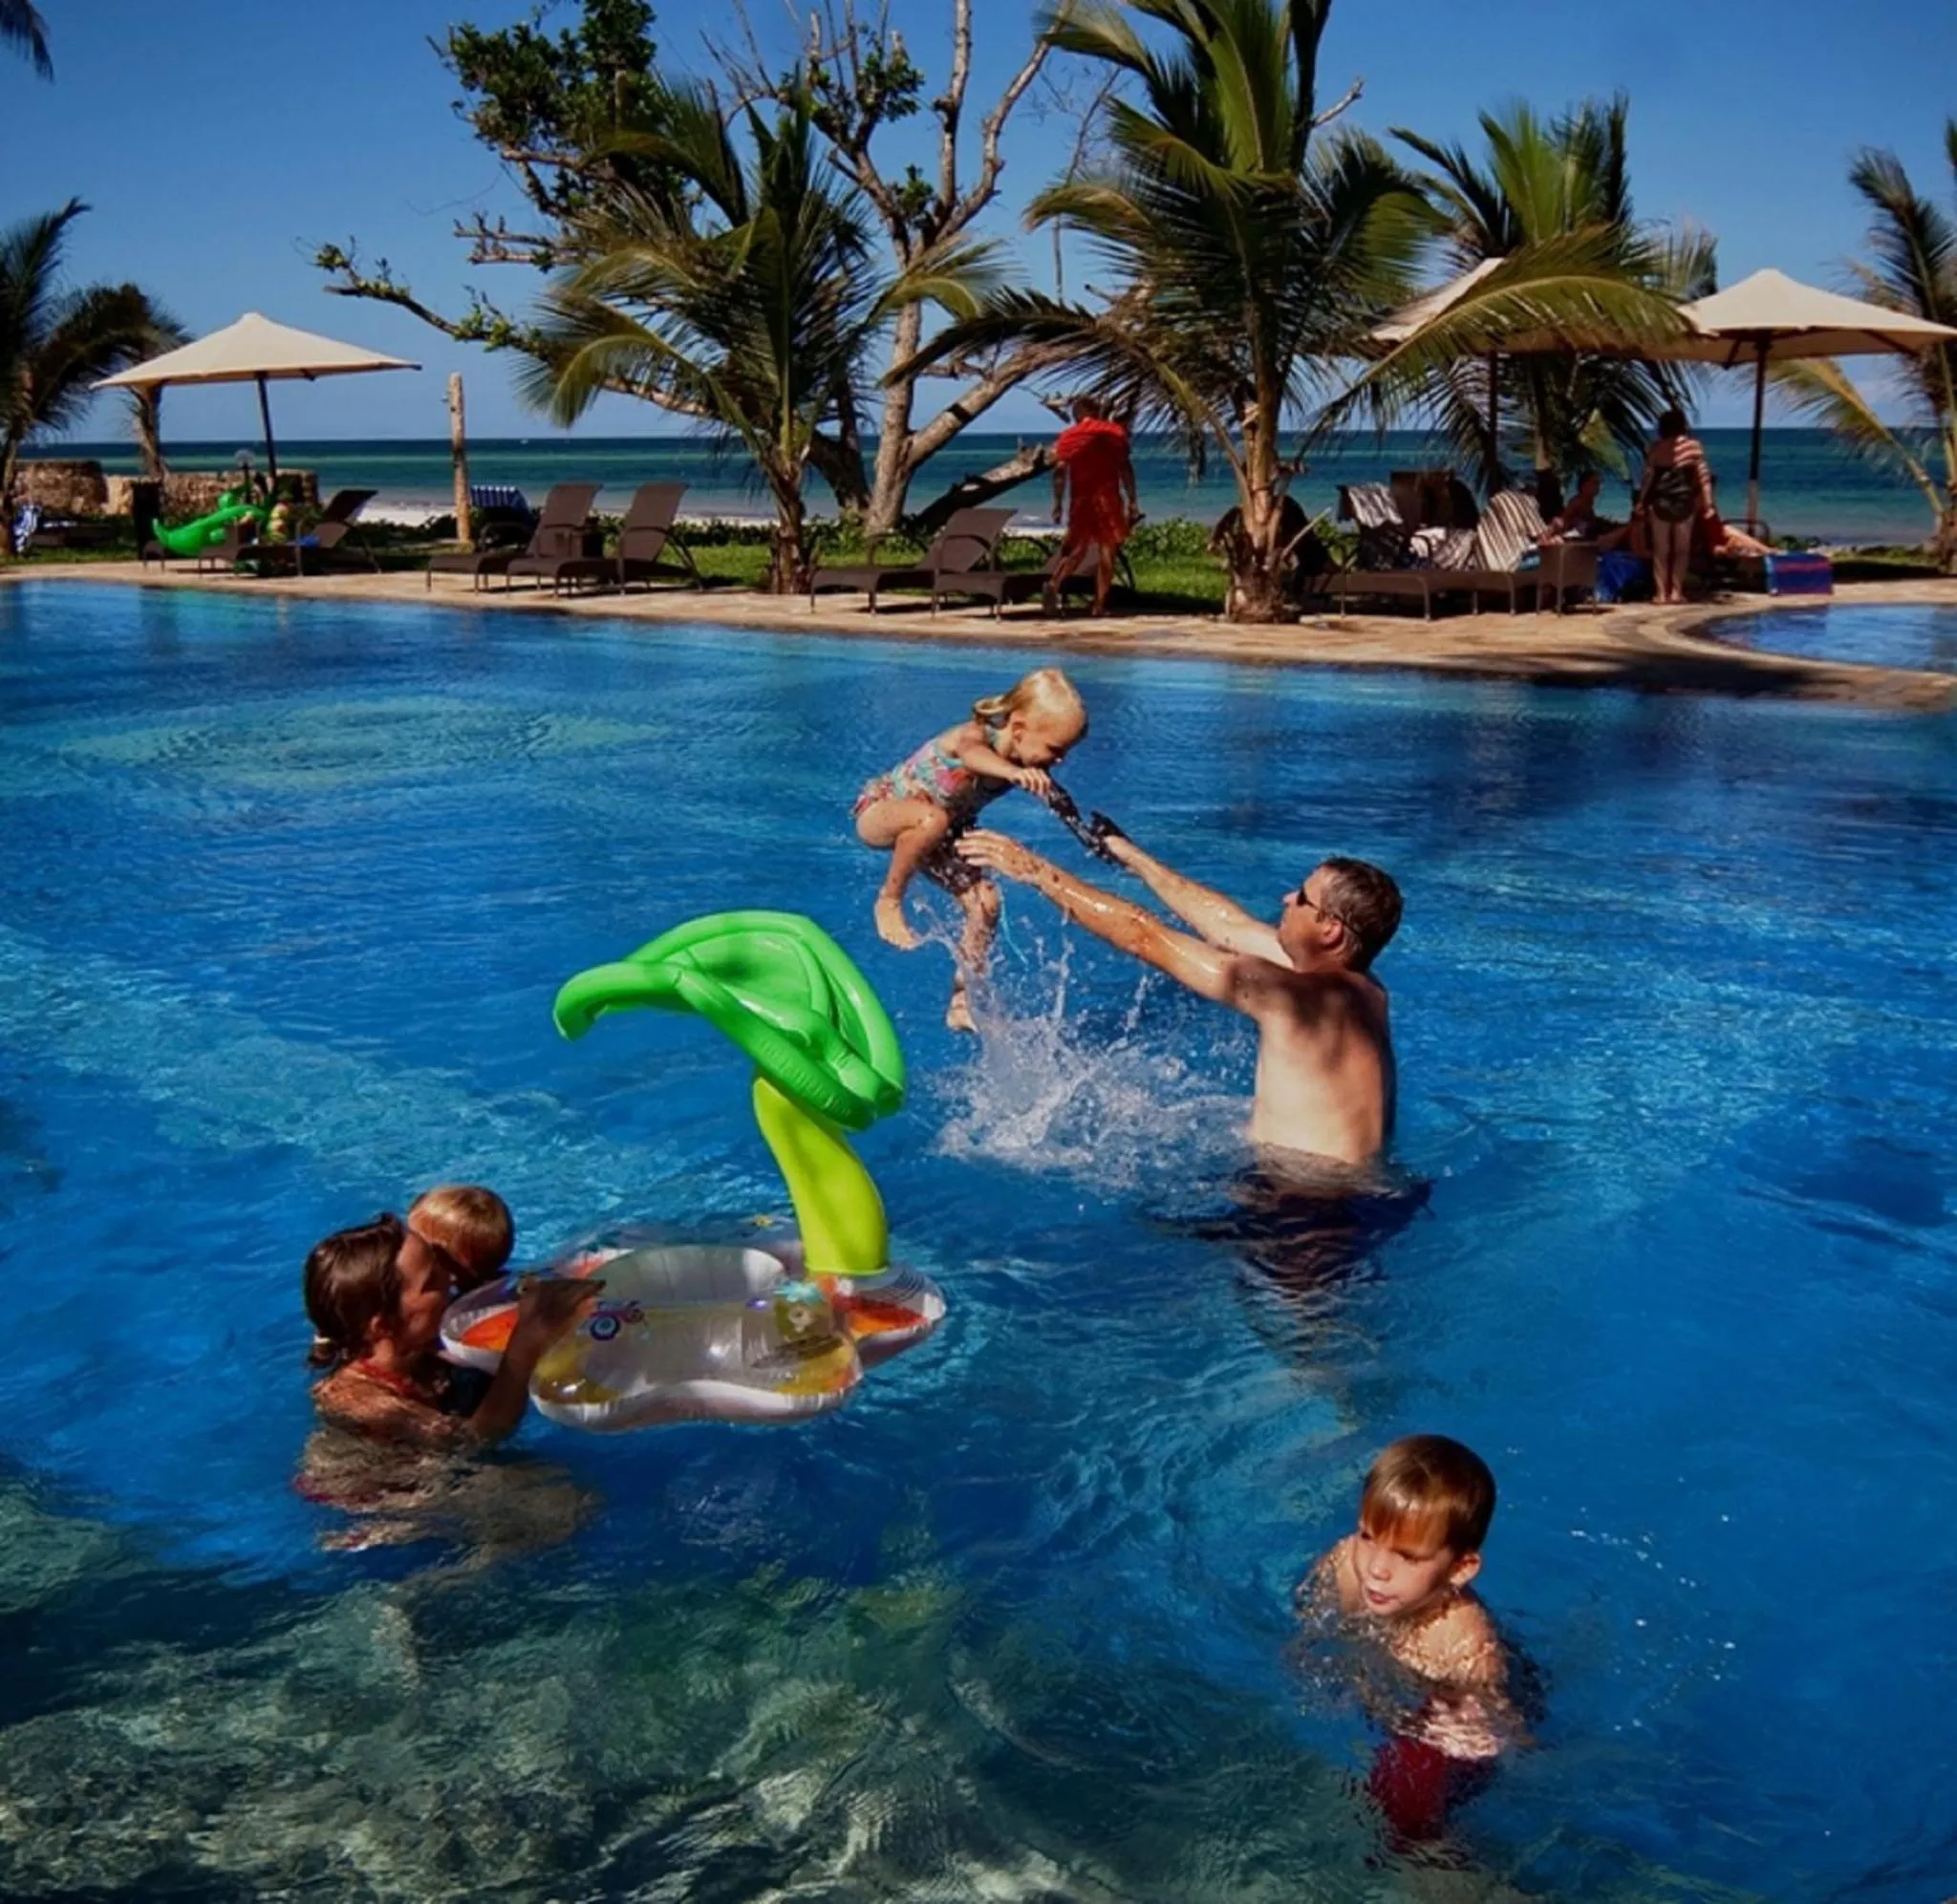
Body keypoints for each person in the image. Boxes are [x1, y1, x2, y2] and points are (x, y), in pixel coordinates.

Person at [958, 822, 1400, 1167]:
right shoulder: (1367, 991)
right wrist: (1135, 859)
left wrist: (1034, 870)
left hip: (1300, 1213)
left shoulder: (1289, 997)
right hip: (1366, 1200)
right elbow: (1228, 927)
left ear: (1330, 929)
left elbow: (1144, 937)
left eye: (1302, 898)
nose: (1287, 898)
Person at [1295, 1435, 1519, 1844]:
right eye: (1368, 1535)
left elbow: (1501, 1731)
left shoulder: (1461, 1642)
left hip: (1443, 1715)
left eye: (1408, 1556)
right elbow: (1312, 1621)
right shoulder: (1346, 1563)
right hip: (1387, 1690)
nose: (1377, 1568)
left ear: (1460, 1568)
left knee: (1401, 1821)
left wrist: (1468, 1737)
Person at [854, 668, 1089, 1032]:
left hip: (941, 834)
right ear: (1020, 728)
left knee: (986, 903)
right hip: (882, 812)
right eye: (1055, 750)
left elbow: (1054, 795)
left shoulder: (1023, 761)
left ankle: (961, 1000)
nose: (1059, 761)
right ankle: (888, 900)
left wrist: (1081, 827)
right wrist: (1013, 775)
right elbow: (971, 756)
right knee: (931, 819)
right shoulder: (974, 736)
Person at [304, 1211, 598, 1448]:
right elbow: (474, 1440)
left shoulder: (417, 1347)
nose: (452, 1278)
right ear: (383, 1326)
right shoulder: (360, 1401)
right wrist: (527, 1341)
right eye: (432, 1280)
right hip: (387, 1505)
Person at [1048, 396, 1139, 616]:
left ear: (1076, 416)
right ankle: (1099, 604)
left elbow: (1060, 472)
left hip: (1081, 500)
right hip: (1107, 499)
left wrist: (1058, 503)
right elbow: (1125, 468)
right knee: (1107, 552)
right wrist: (1133, 500)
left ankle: (1054, 583)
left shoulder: (1068, 437)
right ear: (1097, 412)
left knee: (1077, 551)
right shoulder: (1113, 433)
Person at [1636, 409, 1714, 605]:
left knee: (1661, 550)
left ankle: (1661, 594)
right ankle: (1677, 592)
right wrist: (1708, 504)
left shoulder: (1656, 448)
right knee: (1681, 550)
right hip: (1684, 501)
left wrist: (1640, 502)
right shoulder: (1694, 447)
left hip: (1660, 501)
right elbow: (1704, 478)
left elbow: (1648, 478)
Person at [1537, 471, 1632, 552]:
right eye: (1595, 483)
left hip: (1585, 534)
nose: (1598, 486)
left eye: (1599, 483)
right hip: (1575, 535)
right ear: (1585, 485)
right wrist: (1551, 532)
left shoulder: (1588, 501)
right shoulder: (1577, 501)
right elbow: (1563, 518)